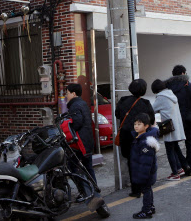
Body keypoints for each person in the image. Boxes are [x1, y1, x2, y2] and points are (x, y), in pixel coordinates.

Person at [66, 84, 109, 216]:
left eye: (67, 92)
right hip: (88, 141)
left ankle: (86, 193)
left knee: (74, 169)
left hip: (79, 143)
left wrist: (68, 123)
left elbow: (77, 122)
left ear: (73, 93)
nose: (66, 95)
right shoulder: (83, 103)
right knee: (88, 168)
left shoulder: (74, 105)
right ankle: (95, 191)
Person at [115, 79, 155, 198]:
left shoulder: (123, 101)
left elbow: (118, 115)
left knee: (131, 162)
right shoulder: (146, 103)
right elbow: (151, 120)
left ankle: (135, 190)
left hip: (126, 135)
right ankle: (145, 186)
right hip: (141, 136)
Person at [151, 79, 191, 180]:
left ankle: (175, 174)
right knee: (176, 148)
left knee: (169, 150)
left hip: (168, 127)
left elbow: (152, 109)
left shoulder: (161, 97)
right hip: (176, 125)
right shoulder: (171, 94)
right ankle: (183, 167)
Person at [130, 113, 159, 219]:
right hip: (145, 172)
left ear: (146, 126)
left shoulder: (146, 142)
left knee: (146, 190)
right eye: (135, 124)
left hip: (146, 173)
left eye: (139, 124)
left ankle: (146, 211)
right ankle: (150, 207)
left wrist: (142, 176)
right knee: (148, 189)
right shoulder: (139, 137)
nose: (136, 126)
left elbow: (146, 161)